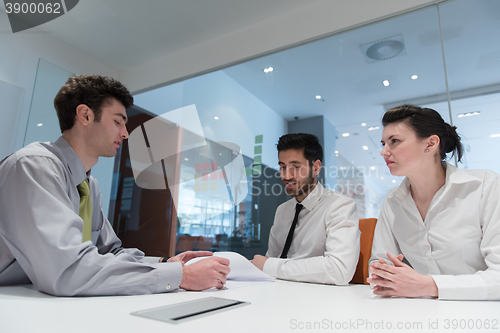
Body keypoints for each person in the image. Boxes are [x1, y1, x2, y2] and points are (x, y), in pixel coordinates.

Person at [0, 74, 230, 296]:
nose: (125, 133)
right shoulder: (34, 166)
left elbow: (109, 252)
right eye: (118, 121)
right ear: (85, 115)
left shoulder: (89, 184)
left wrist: (164, 263)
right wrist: (181, 276)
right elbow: (68, 270)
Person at [368, 104, 500, 300]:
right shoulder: (393, 201)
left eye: (394, 141)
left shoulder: (485, 187)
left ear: (430, 144)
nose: (384, 152)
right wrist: (382, 272)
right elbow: (379, 262)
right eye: (383, 143)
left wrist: (428, 286)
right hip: (421, 312)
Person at [251, 133, 359, 284]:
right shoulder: (282, 211)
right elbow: (271, 261)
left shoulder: (339, 206)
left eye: (295, 167)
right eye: (282, 167)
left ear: (315, 168)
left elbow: (339, 270)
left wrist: (270, 265)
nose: (286, 175)